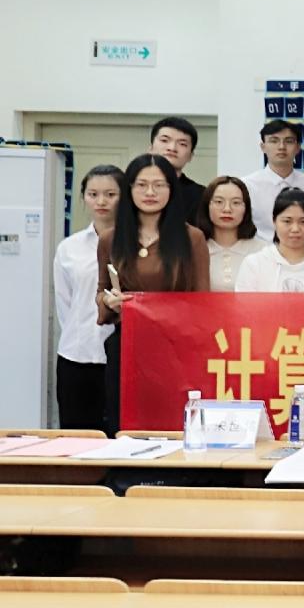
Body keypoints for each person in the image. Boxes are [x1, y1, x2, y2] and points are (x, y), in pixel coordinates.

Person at [97, 154, 208, 432]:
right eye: (142, 185)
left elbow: (202, 301)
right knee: (125, 423)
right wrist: (109, 301)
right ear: (129, 189)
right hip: (128, 345)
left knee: (172, 423)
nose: (150, 192)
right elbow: (102, 290)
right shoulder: (111, 238)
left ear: (171, 190)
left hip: (175, 347)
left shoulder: (192, 238)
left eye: (159, 185)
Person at [54, 165, 120, 431]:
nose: (101, 201)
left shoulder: (134, 244)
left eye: (110, 194)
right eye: (93, 194)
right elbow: (65, 303)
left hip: (120, 356)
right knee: (77, 437)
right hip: (76, 355)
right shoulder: (69, 247)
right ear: (83, 197)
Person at [234, 189, 304, 293]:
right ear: (274, 221)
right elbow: (244, 302)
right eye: (287, 221)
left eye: (303, 221)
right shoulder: (254, 264)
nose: (295, 229)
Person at [241, 120, 304, 242]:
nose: (281, 147)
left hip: (302, 252)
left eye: (288, 141)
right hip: (258, 253)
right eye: (274, 141)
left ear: (298, 147)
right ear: (263, 147)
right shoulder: (247, 185)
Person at [196, 176, 268, 292]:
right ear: (207, 206)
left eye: (236, 203)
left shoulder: (263, 252)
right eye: (219, 202)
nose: (227, 209)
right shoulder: (195, 250)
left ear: (246, 208)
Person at [148, 117, 204, 212]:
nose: (172, 148)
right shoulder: (130, 187)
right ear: (151, 149)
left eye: (182, 144)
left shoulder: (201, 196)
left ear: (190, 156)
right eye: (164, 140)